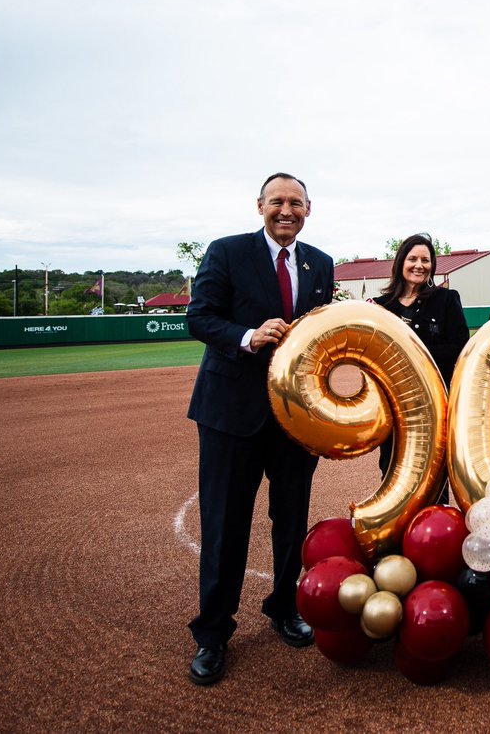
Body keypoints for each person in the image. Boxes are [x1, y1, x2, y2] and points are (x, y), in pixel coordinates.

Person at [185, 172, 335, 685]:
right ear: (260, 206)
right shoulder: (226, 252)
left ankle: (283, 608)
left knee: (290, 521)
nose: (286, 210)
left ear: (308, 209)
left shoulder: (320, 262)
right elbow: (199, 318)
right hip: (230, 415)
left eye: (296, 203)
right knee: (225, 525)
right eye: (278, 202)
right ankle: (212, 633)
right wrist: (250, 335)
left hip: (293, 417)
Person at [372, 233, 470, 483]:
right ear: (401, 262)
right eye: (412, 258)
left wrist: (410, 353)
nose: (419, 265)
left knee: (434, 476)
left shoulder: (446, 300)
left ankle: (435, 522)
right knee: (393, 473)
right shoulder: (381, 306)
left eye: (425, 260)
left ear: (432, 266)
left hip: (435, 404)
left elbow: (460, 347)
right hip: (394, 407)